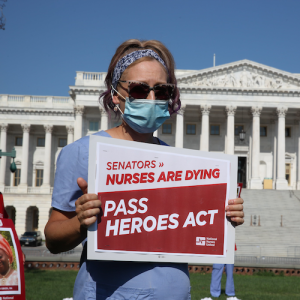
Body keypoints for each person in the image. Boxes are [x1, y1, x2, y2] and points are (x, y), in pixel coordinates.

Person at [44, 39, 244, 300]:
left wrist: (223, 217)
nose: (152, 99)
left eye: (161, 91)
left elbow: (186, 228)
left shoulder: (177, 160)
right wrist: (81, 222)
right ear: (116, 94)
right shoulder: (83, 151)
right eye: (139, 90)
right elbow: (52, 238)